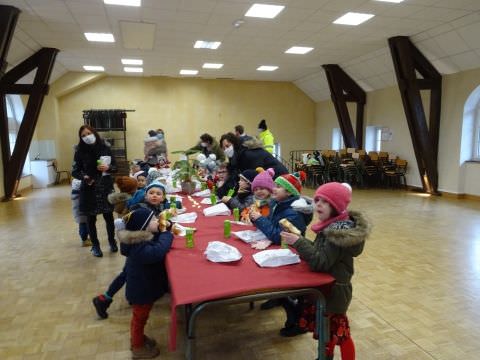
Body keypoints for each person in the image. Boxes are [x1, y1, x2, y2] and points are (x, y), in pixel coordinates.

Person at [281, 182, 370, 359]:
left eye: (325, 201)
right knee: (326, 330)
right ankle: (325, 356)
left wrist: (297, 242)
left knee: (341, 334)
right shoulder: (331, 226)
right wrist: (299, 239)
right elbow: (318, 251)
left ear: (336, 206)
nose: (318, 204)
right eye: (317, 200)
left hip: (336, 291)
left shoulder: (336, 232)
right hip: (329, 287)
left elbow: (320, 261)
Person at [118, 207, 174, 358]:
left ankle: (138, 339)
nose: (157, 221)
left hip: (143, 286)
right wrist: (166, 234)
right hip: (141, 290)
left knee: (140, 317)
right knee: (139, 318)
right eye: (153, 220)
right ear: (143, 227)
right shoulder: (138, 247)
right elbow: (157, 251)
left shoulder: (141, 237)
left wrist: (165, 225)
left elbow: (155, 239)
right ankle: (137, 347)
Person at [72, 125, 117, 257]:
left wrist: (108, 168)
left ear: (94, 133)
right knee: (91, 219)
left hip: (105, 187)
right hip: (89, 188)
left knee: (109, 216)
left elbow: (115, 167)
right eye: (83, 136)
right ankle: (95, 246)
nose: (87, 137)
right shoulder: (80, 151)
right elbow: (75, 171)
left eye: (88, 133)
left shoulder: (105, 148)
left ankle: (112, 241)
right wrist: (84, 177)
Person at [250, 172, 307, 249]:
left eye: (278, 187)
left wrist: (260, 219)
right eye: (274, 186)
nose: (273, 189)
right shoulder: (276, 204)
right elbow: (271, 224)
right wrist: (255, 218)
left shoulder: (294, 213)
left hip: (289, 251)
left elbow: (279, 237)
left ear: (289, 192)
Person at [219, 132, 288, 180]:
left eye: (227, 146)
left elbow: (250, 179)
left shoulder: (247, 154)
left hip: (280, 179)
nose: (226, 150)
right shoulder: (238, 157)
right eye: (224, 148)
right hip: (272, 180)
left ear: (234, 143)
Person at [71, 178, 91, 247]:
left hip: (79, 206)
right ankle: (84, 240)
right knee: (84, 223)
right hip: (82, 206)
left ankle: (85, 239)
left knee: (82, 222)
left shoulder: (74, 181)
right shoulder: (81, 183)